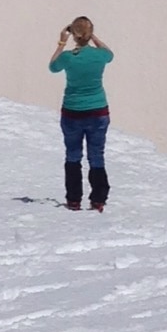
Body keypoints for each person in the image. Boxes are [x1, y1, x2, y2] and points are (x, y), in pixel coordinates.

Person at [49, 16, 112, 210]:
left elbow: (52, 66)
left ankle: (74, 198)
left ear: (74, 36)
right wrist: (92, 37)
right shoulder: (100, 56)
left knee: (73, 155)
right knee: (96, 155)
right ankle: (99, 198)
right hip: (98, 111)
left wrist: (61, 42)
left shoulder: (68, 57)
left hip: (72, 112)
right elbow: (109, 53)